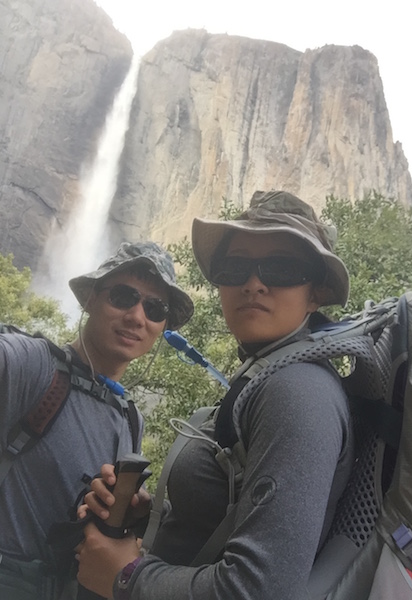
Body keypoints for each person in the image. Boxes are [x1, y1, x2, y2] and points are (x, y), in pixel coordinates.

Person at [76, 191, 355, 600]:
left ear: (315, 292)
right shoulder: (266, 373)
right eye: (235, 266)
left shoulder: (299, 390)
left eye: (281, 267)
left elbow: (260, 590)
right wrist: (150, 518)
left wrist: (127, 577)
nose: (254, 284)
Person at [0, 241, 194, 599]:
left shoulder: (130, 418)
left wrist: (129, 511)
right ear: (90, 298)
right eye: (123, 296)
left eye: (154, 308)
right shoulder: (33, 366)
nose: (137, 317)